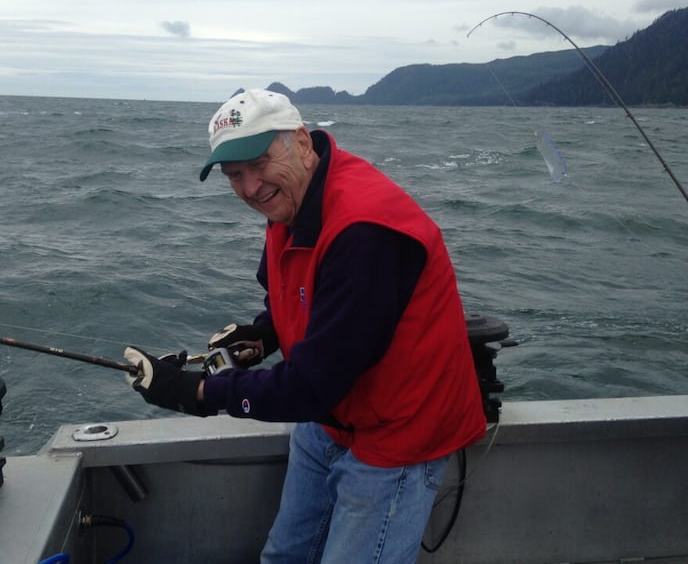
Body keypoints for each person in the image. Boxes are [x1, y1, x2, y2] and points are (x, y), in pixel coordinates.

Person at [124, 88, 486, 563]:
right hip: (331, 419)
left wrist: (195, 393)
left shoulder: (363, 231)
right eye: (235, 175)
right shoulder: (290, 201)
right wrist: (264, 333)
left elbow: (314, 385)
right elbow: (293, 295)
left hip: (399, 429)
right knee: (283, 557)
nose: (251, 188)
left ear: (300, 141)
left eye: (258, 163)